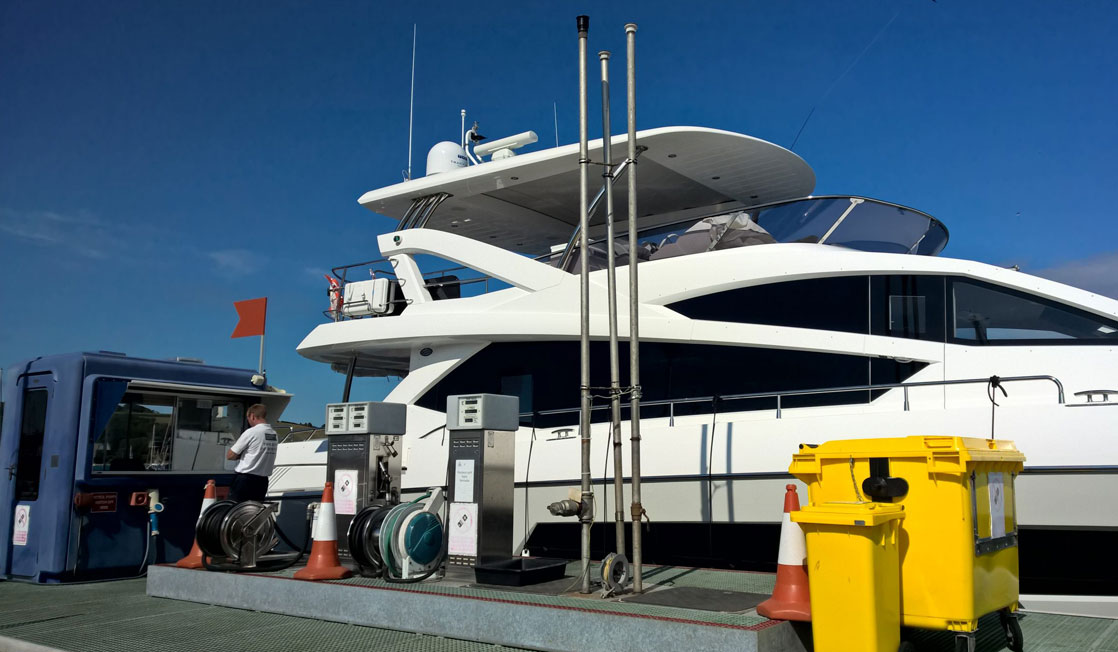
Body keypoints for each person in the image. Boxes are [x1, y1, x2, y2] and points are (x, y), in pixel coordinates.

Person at [226, 403, 278, 503]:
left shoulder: (251, 432)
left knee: (235, 511)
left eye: (248, 418)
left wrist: (240, 455)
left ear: (252, 416)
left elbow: (230, 455)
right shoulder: (273, 434)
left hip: (245, 480)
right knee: (254, 513)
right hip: (262, 481)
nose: (248, 421)